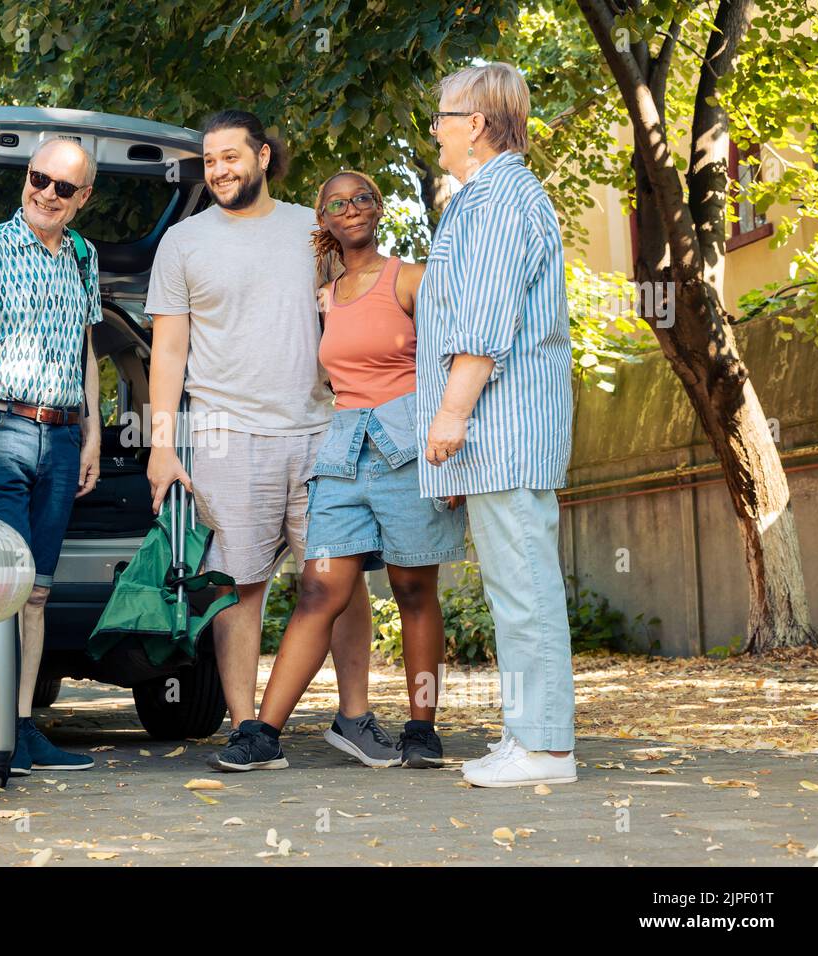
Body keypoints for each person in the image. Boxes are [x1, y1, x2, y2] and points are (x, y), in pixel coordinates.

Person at [146, 110, 395, 769]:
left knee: (340, 579)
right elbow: (168, 350)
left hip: (320, 429)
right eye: (210, 161)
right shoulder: (183, 242)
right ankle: (248, 728)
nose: (221, 169)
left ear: (262, 155)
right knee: (237, 586)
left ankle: (355, 718)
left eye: (232, 156)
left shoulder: (312, 231)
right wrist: (162, 445)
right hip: (226, 433)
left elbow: (359, 308)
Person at [207, 171, 467, 772]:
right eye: (336, 204)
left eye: (362, 199)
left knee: (412, 589)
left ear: (378, 210)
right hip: (343, 456)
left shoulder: (411, 279)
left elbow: (453, 364)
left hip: (411, 451)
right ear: (322, 219)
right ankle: (262, 735)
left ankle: (422, 728)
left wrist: (456, 456)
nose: (350, 209)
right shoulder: (325, 295)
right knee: (321, 587)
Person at [417, 62, 577, 788]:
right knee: (515, 589)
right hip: (503, 434)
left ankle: (545, 748)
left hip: (501, 429)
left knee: (525, 589)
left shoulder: (497, 199)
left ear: (475, 125)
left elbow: (483, 323)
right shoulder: (492, 196)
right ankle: (528, 738)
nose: (436, 132)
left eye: (443, 119)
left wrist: (449, 418)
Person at [0, 138, 102, 776]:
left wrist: (91, 433)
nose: (47, 194)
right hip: (1, 426)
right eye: (40, 179)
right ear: (26, 176)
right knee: (5, 589)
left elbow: (86, 351)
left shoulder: (84, 258)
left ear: (82, 197)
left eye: (64, 188)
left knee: (36, 592)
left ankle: (20, 727)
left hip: (63, 437)